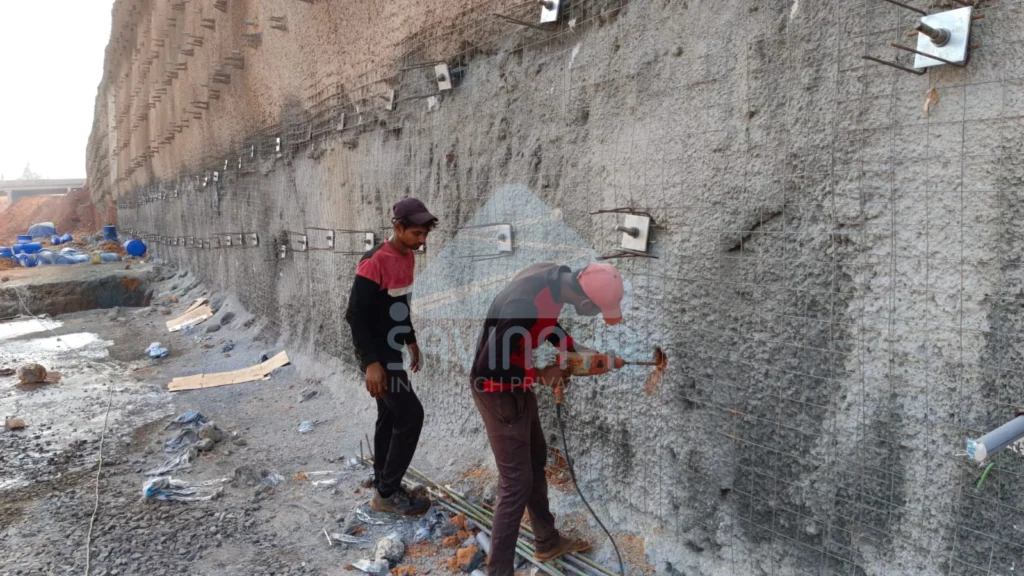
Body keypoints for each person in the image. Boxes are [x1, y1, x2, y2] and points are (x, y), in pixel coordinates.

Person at [469, 262, 625, 576]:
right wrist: (541, 374)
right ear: (585, 303)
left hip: (516, 387)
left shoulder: (552, 280)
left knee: (535, 462)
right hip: (496, 390)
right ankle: (498, 571)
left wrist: (574, 350)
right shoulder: (523, 305)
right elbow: (486, 368)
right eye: (598, 310)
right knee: (516, 482)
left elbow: (547, 325)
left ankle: (547, 541)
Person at [346, 197, 437, 516]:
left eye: (425, 233)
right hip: (378, 356)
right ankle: (385, 494)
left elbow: (399, 306)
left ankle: (384, 481)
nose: (421, 240)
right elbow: (355, 316)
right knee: (411, 415)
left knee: (389, 415)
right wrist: (371, 364)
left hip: (393, 350)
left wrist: (410, 339)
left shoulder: (408, 257)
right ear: (397, 227)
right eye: (415, 233)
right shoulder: (375, 262)